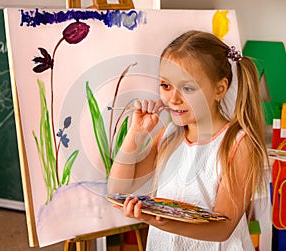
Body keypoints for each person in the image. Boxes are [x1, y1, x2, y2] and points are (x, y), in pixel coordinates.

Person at [108, 30, 268, 250]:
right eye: (166, 85)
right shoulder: (167, 137)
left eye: (188, 88)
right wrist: (135, 133)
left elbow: (222, 229)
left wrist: (158, 221)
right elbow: (118, 188)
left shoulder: (238, 144)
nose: (173, 98)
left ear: (219, 89)